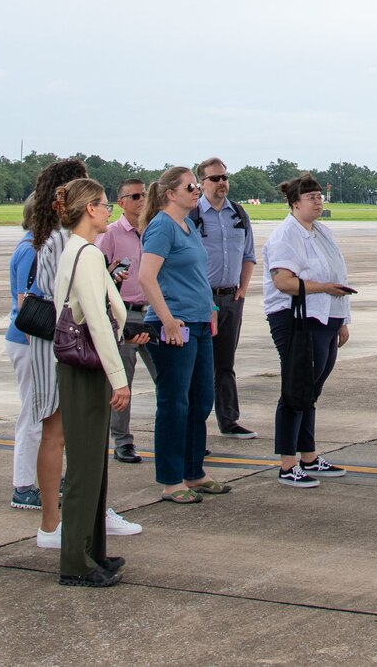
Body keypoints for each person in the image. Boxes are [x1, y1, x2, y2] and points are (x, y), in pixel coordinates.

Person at [27, 159, 143, 549]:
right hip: (64, 344)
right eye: (104, 202)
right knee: (62, 434)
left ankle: (81, 519)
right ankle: (56, 524)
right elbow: (79, 307)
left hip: (67, 342)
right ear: (83, 204)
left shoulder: (67, 242)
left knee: (74, 438)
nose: (109, 209)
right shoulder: (69, 245)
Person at [53, 176, 133, 587]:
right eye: (104, 204)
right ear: (89, 210)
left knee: (93, 464)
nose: (109, 210)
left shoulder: (82, 250)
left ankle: (92, 551)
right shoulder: (84, 253)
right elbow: (96, 318)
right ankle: (76, 563)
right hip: (88, 366)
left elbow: (110, 306)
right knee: (85, 467)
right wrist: (118, 377)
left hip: (90, 364)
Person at [137, 166, 228, 503]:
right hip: (175, 327)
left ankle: (194, 472)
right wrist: (169, 321)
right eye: (190, 185)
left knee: (201, 399)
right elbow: (146, 278)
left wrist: (211, 309)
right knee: (174, 403)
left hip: (200, 323)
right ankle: (171, 479)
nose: (196, 189)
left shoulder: (187, 225)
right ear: (170, 194)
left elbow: (196, 275)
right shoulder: (162, 227)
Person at [263, 173, 352, 487]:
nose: (318, 201)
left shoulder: (321, 232)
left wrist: (342, 321)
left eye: (319, 196)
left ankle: (309, 457)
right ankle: (288, 465)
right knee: (295, 389)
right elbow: (283, 282)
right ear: (294, 203)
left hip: (325, 318)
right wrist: (325, 288)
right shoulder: (286, 236)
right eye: (311, 197)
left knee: (311, 390)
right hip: (296, 319)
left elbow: (338, 274)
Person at [193, 156, 258, 439]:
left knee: (225, 364)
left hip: (231, 297)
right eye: (215, 178)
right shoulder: (192, 215)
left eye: (224, 177)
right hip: (201, 300)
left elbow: (249, 254)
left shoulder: (238, 214)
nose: (222, 183)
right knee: (199, 366)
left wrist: (242, 289)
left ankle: (229, 420)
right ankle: (196, 428)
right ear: (202, 183)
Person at [96, 175, 156, 463]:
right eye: (135, 196)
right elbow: (97, 275)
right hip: (125, 312)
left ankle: (175, 433)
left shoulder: (153, 230)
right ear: (121, 203)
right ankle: (122, 441)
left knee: (166, 376)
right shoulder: (110, 234)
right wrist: (111, 274)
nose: (142, 199)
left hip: (153, 311)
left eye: (144, 194)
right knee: (124, 381)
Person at [5, 194, 44, 509]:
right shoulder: (30, 250)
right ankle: (23, 484)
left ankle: (39, 475)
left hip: (31, 340)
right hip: (28, 341)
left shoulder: (33, 246)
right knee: (32, 412)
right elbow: (25, 305)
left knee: (41, 413)